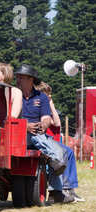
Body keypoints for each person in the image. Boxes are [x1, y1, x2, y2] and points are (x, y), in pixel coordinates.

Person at [15, 64, 74, 203]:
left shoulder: (41, 97)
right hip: (18, 134)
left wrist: (43, 124)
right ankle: (49, 158)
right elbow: (10, 117)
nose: (17, 80)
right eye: (17, 77)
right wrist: (25, 125)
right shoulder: (13, 94)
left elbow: (47, 118)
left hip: (38, 134)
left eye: (20, 77)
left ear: (31, 79)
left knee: (61, 151)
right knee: (32, 134)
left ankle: (55, 193)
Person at [35, 81, 85, 202]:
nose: (50, 97)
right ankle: (64, 188)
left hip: (47, 139)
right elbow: (57, 124)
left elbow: (57, 122)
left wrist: (50, 103)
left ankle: (68, 188)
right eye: (48, 95)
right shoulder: (38, 107)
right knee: (67, 152)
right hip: (41, 139)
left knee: (69, 152)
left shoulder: (45, 107)